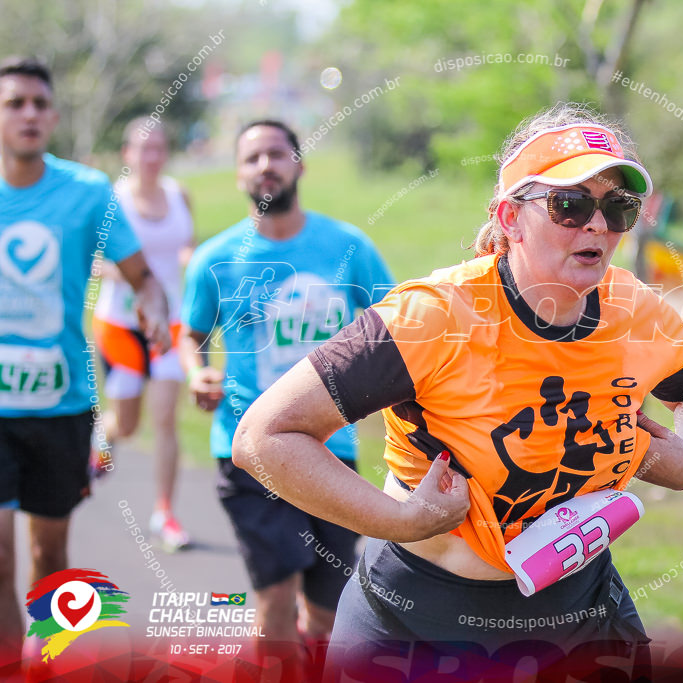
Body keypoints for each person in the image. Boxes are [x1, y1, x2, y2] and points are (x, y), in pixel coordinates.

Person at [233, 102, 683, 678]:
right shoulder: (434, 316)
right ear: (510, 217)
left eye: (617, 207)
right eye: (570, 205)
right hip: (415, 622)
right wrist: (397, 520)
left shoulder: (633, 310)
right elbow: (264, 436)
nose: (597, 226)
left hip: (582, 614)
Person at [179, 120, 393, 668]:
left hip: (331, 450)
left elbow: (392, 325)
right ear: (237, 175)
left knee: (325, 615)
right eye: (252, 158)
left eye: (276, 154)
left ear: (299, 164)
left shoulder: (348, 247)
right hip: (249, 451)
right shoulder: (216, 258)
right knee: (275, 601)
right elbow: (192, 334)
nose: (265, 165)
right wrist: (197, 371)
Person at [0, 57, 169, 663]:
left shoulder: (86, 192)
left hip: (61, 405)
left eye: (39, 104)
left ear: (54, 115)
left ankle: (53, 663)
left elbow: (144, 277)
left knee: (50, 557)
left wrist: (152, 309)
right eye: (14, 103)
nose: (28, 114)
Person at [92, 117, 194, 551]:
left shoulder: (178, 194)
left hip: (169, 325)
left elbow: (185, 244)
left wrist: (192, 260)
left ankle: (165, 513)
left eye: (158, 148)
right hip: (120, 325)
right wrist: (133, 276)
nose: (151, 156)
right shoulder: (112, 201)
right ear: (127, 154)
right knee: (129, 426)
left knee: (167, 418)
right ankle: (102, 436)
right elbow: (93, 261)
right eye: (142, 148)